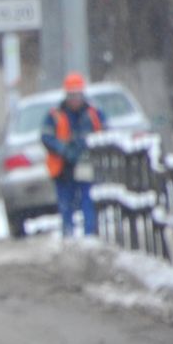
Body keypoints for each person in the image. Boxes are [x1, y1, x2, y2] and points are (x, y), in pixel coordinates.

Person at [40, 72, 103, 238]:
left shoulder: (93, 114)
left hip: (85, 164)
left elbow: (104, 135)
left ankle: (89, 234)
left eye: (77, 94)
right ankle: (68, 234)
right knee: (65, 204)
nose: (75, 98)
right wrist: (63, 149)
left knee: (87, 200)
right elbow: (46, 137)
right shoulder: (55, 115)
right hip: (63, 167)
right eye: (71, 95)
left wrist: (85, 147)